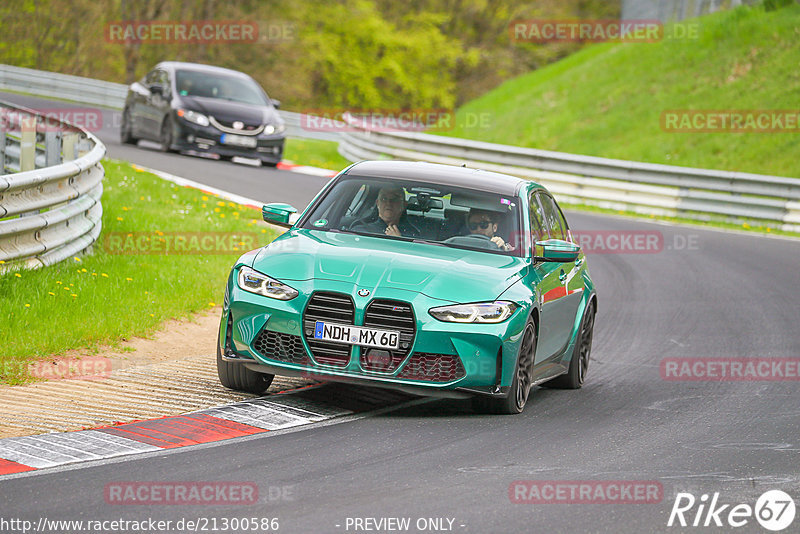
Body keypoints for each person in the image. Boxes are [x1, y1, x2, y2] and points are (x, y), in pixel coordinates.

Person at [350, 185, 420, 238]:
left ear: (404, 204)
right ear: (377, 203)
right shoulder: (360, 231)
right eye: (384, 199)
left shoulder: (412, 235)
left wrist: (399, 240)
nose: (388, 203)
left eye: (394, 199)